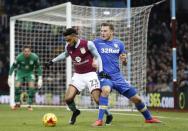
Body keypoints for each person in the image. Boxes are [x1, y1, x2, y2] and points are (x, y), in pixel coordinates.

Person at [92, 22, 161, 126]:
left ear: (111, 32)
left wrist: (124, 61)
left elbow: (124, 63)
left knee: (137, 99)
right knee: (105, 90)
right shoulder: (96, 42)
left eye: (105, 31)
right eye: (101, 31)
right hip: (104, 75)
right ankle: (100, 120)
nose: (102, 33)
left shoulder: (119, 44)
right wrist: (93, 62)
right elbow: (88, 52)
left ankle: (149, 118)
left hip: (118, 77)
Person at [45, 28, 111, 125]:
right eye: (66, 40)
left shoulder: (88, 44)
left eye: (69, 39)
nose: (67, 42)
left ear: (75, 36)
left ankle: (109, 115)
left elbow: (97, 56)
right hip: (78, 76)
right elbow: (65, 54)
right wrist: (52, 61)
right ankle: (75, 111)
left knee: (97, 99)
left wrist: (98, 67)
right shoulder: (68, 46)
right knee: (68, 99)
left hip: (90, 75)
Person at [8, 45, 43, 111]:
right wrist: (9, 77)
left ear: (30, 51)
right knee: (17, 87)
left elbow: (38, 67)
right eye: (25, 51)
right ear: (23, 51)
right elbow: (13, 67)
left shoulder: (35, 57)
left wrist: (40, 78)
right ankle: (17, 103)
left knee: (32, 88)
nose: (27, 53)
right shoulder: (19, 57)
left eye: (28, 51)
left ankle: (29, 105)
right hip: (20, 73)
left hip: (30, 73)